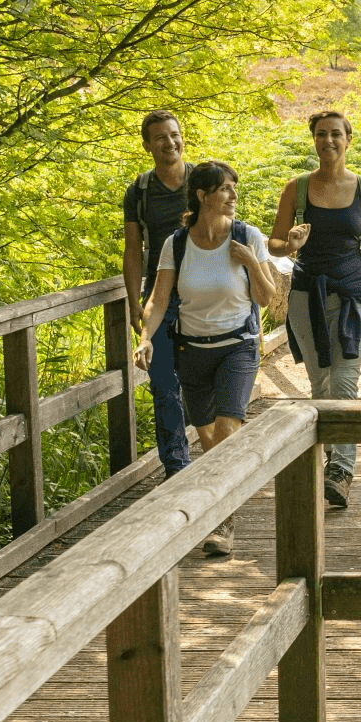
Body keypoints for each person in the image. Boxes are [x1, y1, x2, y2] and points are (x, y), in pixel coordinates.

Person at [133, 161, 283, 556]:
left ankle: (223, 522)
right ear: (202, 196)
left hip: (238, 345)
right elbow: (159, 298)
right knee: (209, 440)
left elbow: (268, 299)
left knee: (228, 428)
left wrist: (251, 261)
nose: (233, 196)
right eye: (225, 189)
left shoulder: (247, 236)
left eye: (235, 188)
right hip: (192, 350)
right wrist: (146, 338)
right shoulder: (176, 244)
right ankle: (224, 510)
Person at [270, 110, 361, 511]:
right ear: (314, 140)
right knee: (320, 383)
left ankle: (342, 470)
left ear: (348, 139)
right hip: (307, 296)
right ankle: (330, 461)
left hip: (353, 291)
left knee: (344, 378)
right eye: (321, 135)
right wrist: (289, 243)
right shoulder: (297, 189)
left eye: (336, 134)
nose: (328, 141)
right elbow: (272, 243)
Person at [119, 110, 196, 473]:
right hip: (159, 297)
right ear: (147, 144)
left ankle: (212, 456)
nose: (170, 143)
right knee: (163, 382)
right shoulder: (139, 190)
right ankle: (176, 467)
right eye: (161, 137)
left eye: (175, 134)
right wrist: (134, 300)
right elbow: (133, 249)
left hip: (203, 293)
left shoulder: (203, 180)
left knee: (199, 380)